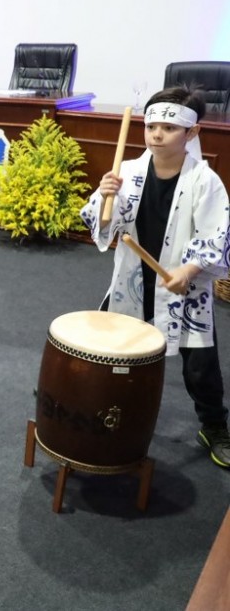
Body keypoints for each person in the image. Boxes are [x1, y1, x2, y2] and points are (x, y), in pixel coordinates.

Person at [80, 86, 230, 468]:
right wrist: (103, 196)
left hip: (183, 286)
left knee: (200, 364)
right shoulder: (127, 171)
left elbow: (216, 233)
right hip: (133, 278)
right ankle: (100, 405)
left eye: (169, 127)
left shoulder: (204, 180)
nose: (157, 134)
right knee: (115, 349)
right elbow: (103, 227)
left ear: (192, 133)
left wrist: (190, 270)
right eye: (151, 126)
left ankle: (213, 425)